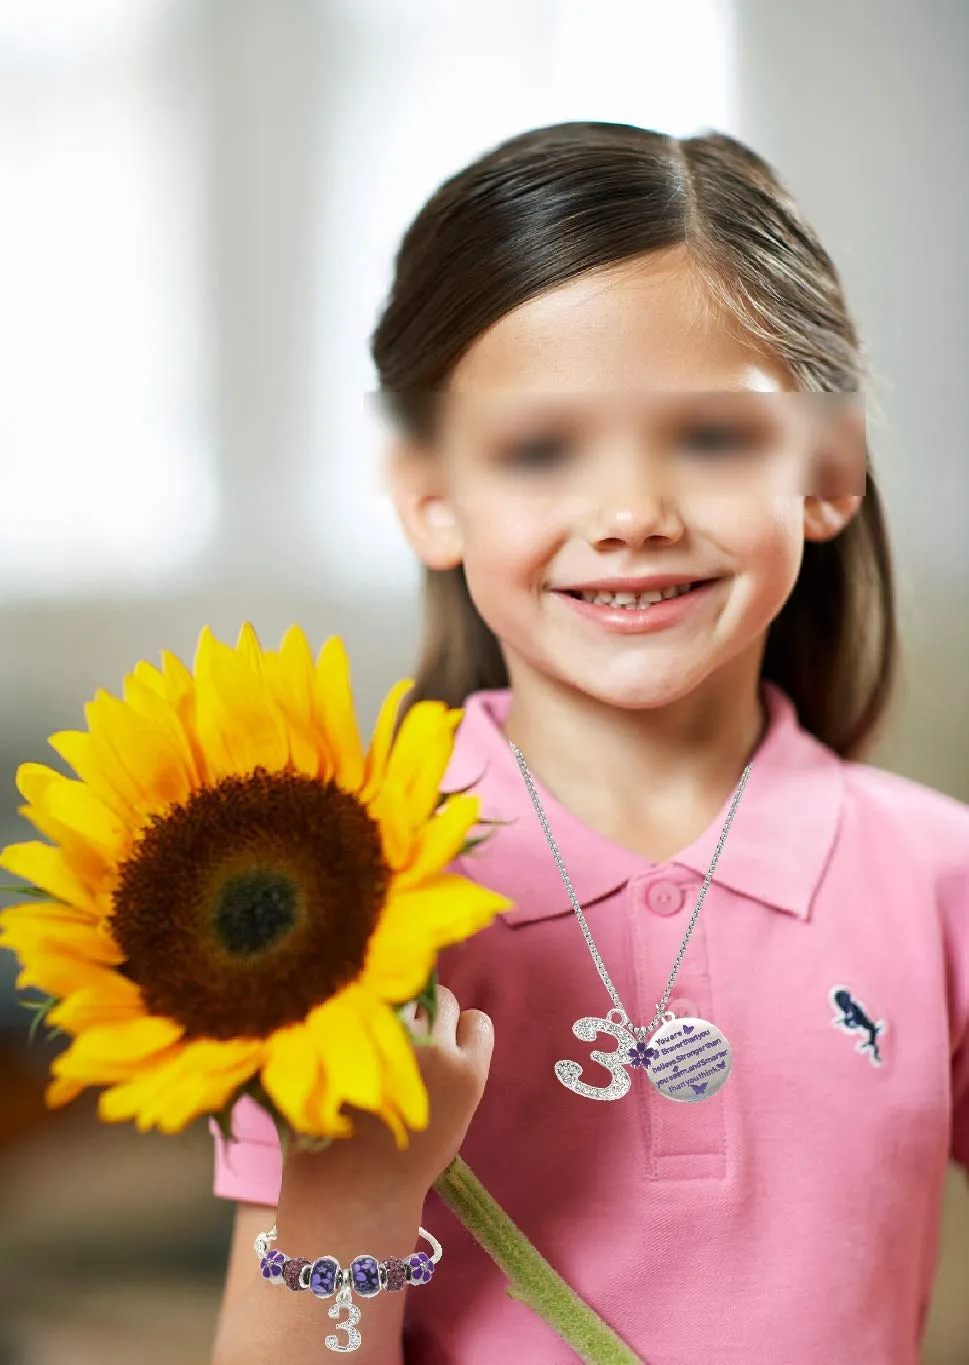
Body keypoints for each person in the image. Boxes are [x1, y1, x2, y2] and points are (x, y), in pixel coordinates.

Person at [210, 122, 969, 1365]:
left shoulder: (940, 882)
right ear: (431, 497)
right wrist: (355, 1196)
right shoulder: (337, 894)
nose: (630, 515)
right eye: (542, 447)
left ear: (827, 467)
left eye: (711, 437)